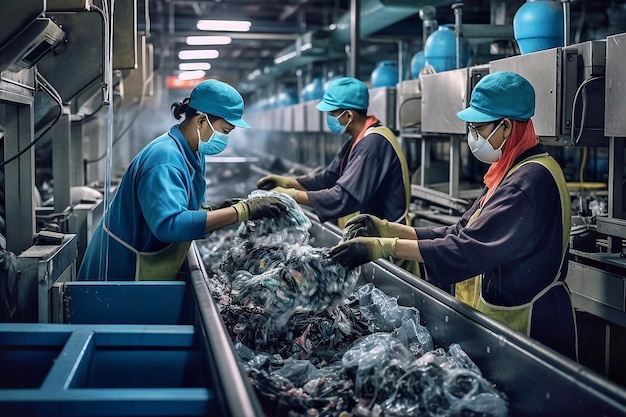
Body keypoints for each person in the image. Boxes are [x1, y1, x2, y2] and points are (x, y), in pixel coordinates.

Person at [329, 71, 578, 360]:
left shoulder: (528, 182)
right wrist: (385, 229)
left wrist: (382, 247)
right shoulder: (510, 172)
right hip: (503, 318)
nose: (472, 135)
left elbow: (466, 249)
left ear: (507, 127)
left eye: (479, 127)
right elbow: (458, 232)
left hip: (530, 327)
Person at [77, 79, 287, 282]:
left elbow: (183, 207)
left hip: (143, 263)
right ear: (202, 120)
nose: (226, 138)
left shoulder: (193, 152)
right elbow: (169, 225)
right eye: (225, 131)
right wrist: (241, 211)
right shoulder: (165, 159)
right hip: (119, 273)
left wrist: (215, 209)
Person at [256, 77, 419, 275]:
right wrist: (288, 182)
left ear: (348, 115)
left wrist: (291, 196)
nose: (329, 118)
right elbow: (328, 178)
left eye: (332, 113)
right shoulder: (359, 139)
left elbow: (344, 197)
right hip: (369, 240)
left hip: (387, 246)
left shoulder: (373, 144)